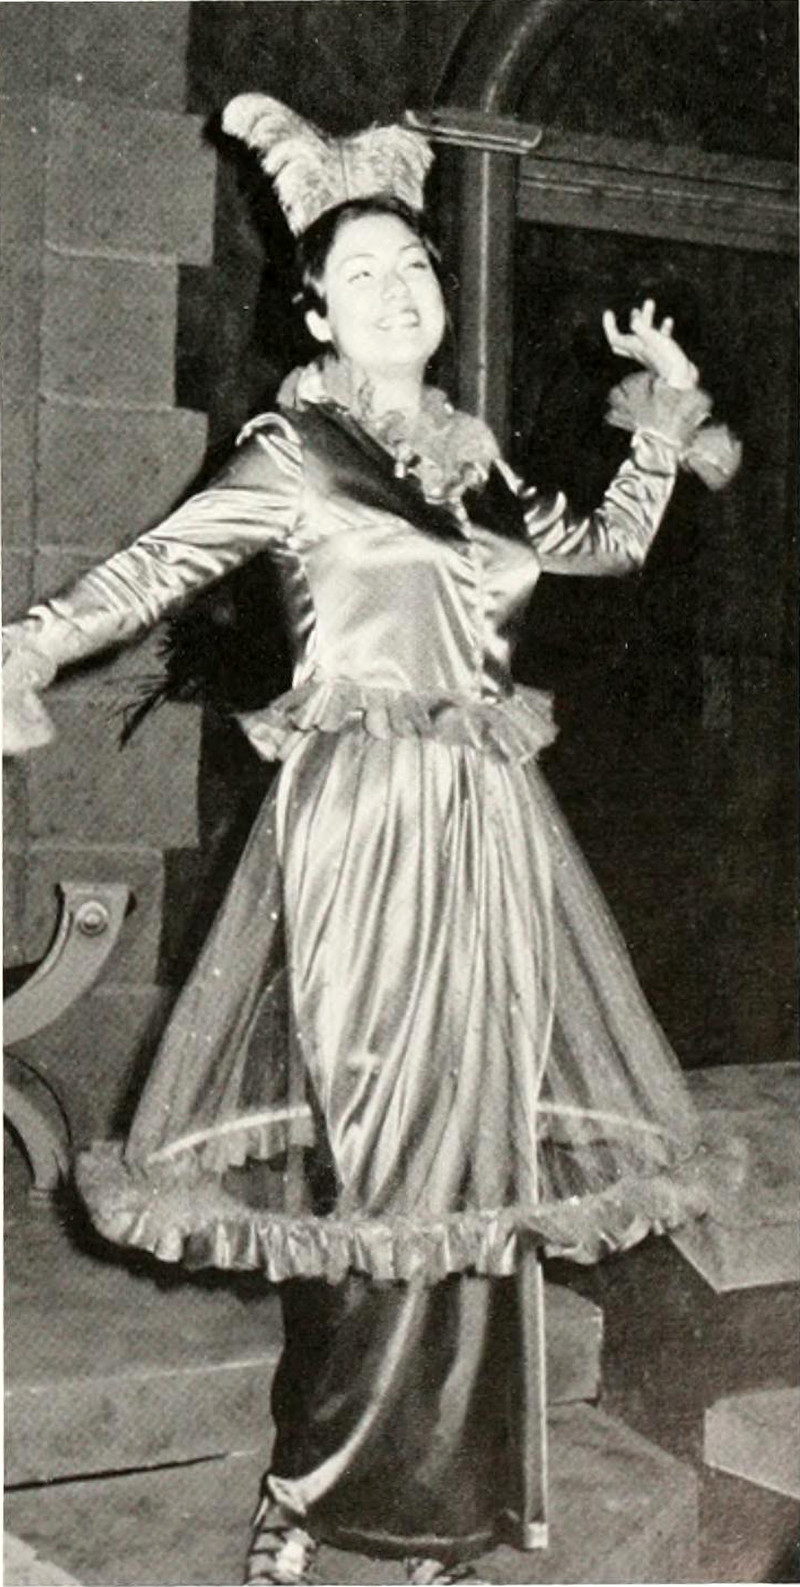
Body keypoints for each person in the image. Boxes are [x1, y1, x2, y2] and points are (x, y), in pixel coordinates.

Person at [2, 96, 740, 1587]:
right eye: (365, 270)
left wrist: (665, 415)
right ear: (318, 310)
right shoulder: (294, 448)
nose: (401, 286)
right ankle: (314, 1486)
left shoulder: (473, 462)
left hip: (492, 835)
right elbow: (155, 569)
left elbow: (601, 546)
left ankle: (457, 1508)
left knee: (478, 1160)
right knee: (385, 1160)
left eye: (417, 265)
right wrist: (26, 643)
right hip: (360, 833)